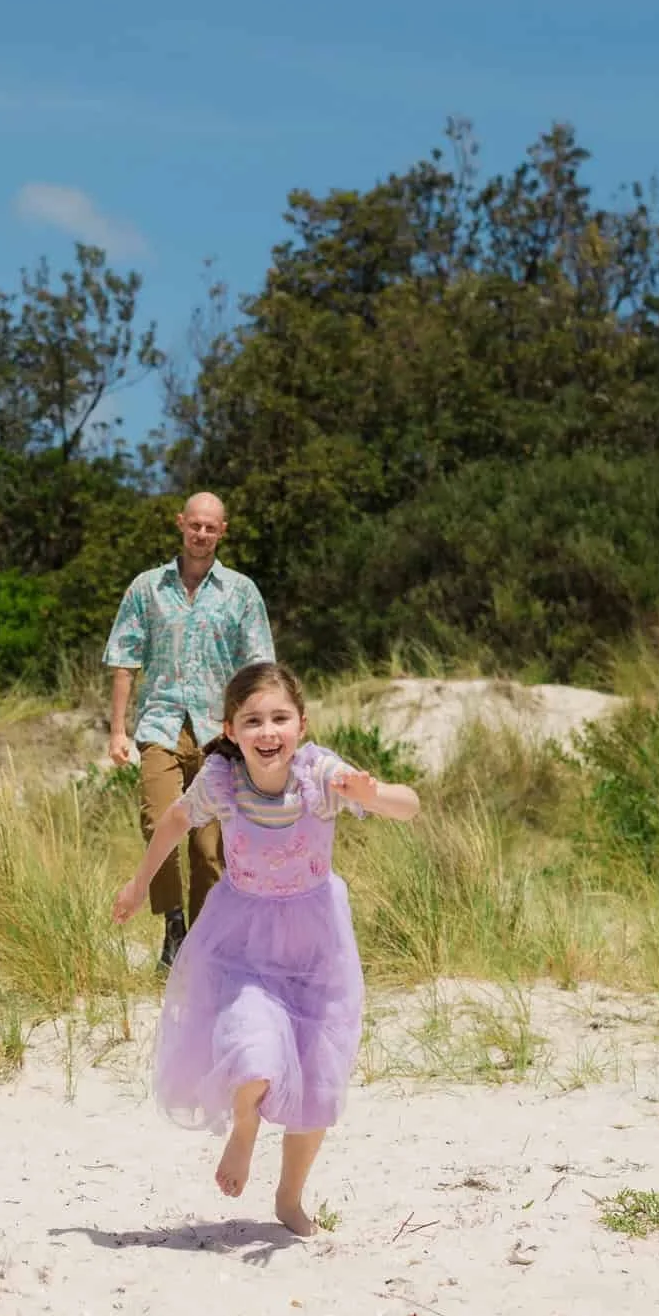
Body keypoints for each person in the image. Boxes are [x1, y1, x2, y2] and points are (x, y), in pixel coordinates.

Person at [112, 661, 420, 1236]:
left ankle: (289, 1196)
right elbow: (174, 823)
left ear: (301, 725)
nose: (267, 730)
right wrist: (137, 885)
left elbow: (410, 805)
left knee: (318, 1072)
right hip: (245, 937)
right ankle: (245, 1125)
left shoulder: (319, 774)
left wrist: (375, 795)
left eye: (280, 718)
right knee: (253, 1043)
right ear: (230, 730)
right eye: (252, 720)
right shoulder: (223, 780)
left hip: (317, 943)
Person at [104, 491, 275, 967]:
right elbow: (123, 659)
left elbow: (261, 668)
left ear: (223, 531)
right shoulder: (147, 587)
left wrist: (258, 732)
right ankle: (172, 921)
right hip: (161, 723)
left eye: (210, 527)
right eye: (194, 525)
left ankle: (199, 943)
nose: (201, 534)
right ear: (181, 524)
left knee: (209, 846)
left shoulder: (241, 592)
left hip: (219, 733)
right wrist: (118, 731)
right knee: (159, 823)